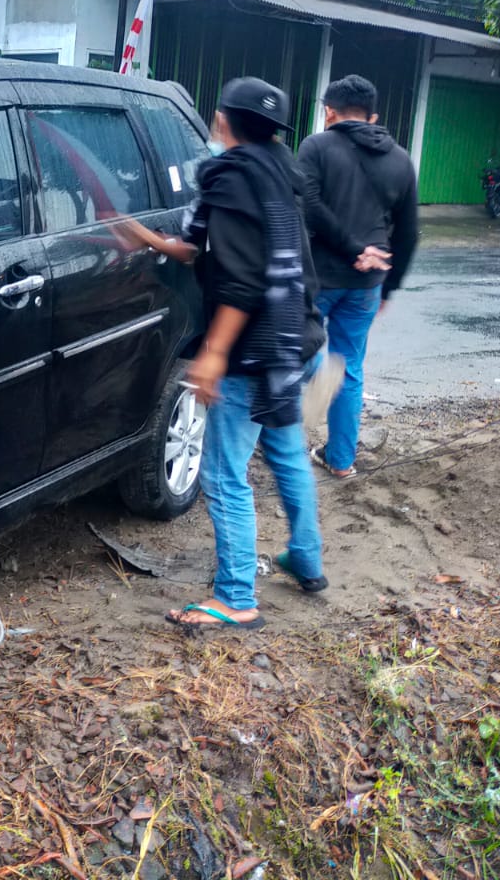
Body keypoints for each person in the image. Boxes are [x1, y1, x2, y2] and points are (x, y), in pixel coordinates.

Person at [153, 78, 330, 632]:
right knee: (284, 452)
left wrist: (213, 355)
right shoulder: (279, 173)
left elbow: (240, 283)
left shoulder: (229, 180)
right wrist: (145, 238)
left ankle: (235, 597)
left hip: (255, 353)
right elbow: (206, 250)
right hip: (297, 343)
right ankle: (305, 559)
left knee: (225, 475)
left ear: (221, 120)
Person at [296, 75, 419, 480]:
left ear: (329, 111)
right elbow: (408, 231)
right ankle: (341, 460)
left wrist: (350, 248)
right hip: (368, 284)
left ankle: (274, 440)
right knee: (349, 367)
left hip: (318, 277)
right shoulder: (401, 159)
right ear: (373, 116)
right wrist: (391, 283)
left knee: (292, 350)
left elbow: (308, 206)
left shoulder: (316, 146)